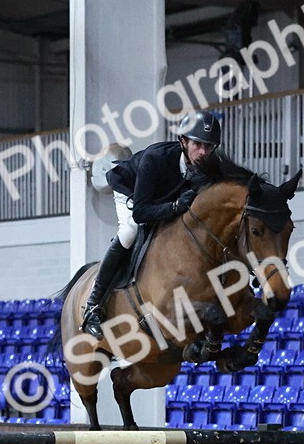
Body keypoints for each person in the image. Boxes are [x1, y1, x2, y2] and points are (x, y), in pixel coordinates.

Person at [80, 109, 223, 339]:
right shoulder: (156, 159)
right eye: (198, 144)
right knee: (130, 231)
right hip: (131, 190)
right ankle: (93, 305)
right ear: (183, 141)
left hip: (165, 198)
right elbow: (140, 212)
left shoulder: (209, 167)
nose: (203, 152)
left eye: (209, 146)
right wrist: (175, 207)